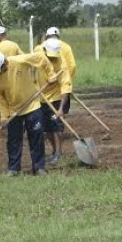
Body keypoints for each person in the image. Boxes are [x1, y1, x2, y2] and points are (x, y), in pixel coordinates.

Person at [0, 50, 58, 176]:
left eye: (2, 69)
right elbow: (0, 99)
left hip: (32, 105)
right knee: (13, 140)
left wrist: (51, 75)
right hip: (14, 110)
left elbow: (41, 58)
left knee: (36, 136)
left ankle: (39, 167)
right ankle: (13, 168)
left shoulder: (19, 61)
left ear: (5, 62)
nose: (0, 73)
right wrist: (3, 116)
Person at [35, 38, 71, 166]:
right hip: (40, 97)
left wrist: (61, 108)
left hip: (55, 99)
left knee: (56, 126)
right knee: (47, 129)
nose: (52, 59)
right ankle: (54, 151)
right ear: (44, 51)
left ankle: (59, 153)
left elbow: (65, 87)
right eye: (50, 57)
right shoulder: (38, 53)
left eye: (54, 57)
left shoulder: (62, 65)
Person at [44, 27, 77, 113]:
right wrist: (67, 80)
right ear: (58, 36)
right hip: (61, 89)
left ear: (46, 36)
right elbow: (72, 66)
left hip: (45, 89)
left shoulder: (41, 47)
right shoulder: (66, 46)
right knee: (59, 116)